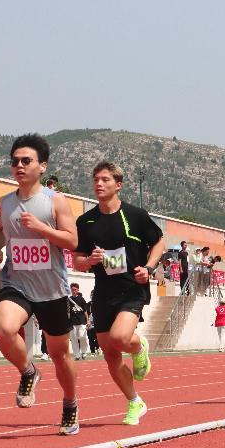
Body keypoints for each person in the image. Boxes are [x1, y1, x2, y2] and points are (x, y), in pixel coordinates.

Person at [0, 134, 80, 436]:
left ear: (42, 166)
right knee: (3, 328)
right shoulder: (5, 202)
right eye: (15, 161)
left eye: (26, 160)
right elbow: (0, 231)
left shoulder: (56, 201)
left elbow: (72, 241)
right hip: (17, 282)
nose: (19, 166)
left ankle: (70, 404)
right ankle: (28, 371)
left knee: (59, 354)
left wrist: (41, 228)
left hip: (52, 290)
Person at [73, 161, 164, 426]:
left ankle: (139, 346)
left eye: (105, 179)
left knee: (120, 338)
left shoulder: (136, 215)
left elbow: (159, 243)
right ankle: (135, 401)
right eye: (95, 179)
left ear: (118, 184)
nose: (99, 184)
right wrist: (90, 260)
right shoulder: (86, 221)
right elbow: (77, 260)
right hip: (103, 292)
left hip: (132, 288)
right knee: (110, 355)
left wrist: (149, 268)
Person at [68, 283, 90, 360]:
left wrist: (88, 320)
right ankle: (77, 355)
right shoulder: (69, 300)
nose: (74, 291)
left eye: (75, 289)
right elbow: (67, 312)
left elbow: (85, 311)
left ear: (78, 290)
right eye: (72, 289)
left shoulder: (81, 299)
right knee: (73, 339)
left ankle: (84, 352)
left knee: (82, 336)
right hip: (72, 322)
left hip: (82, 321)